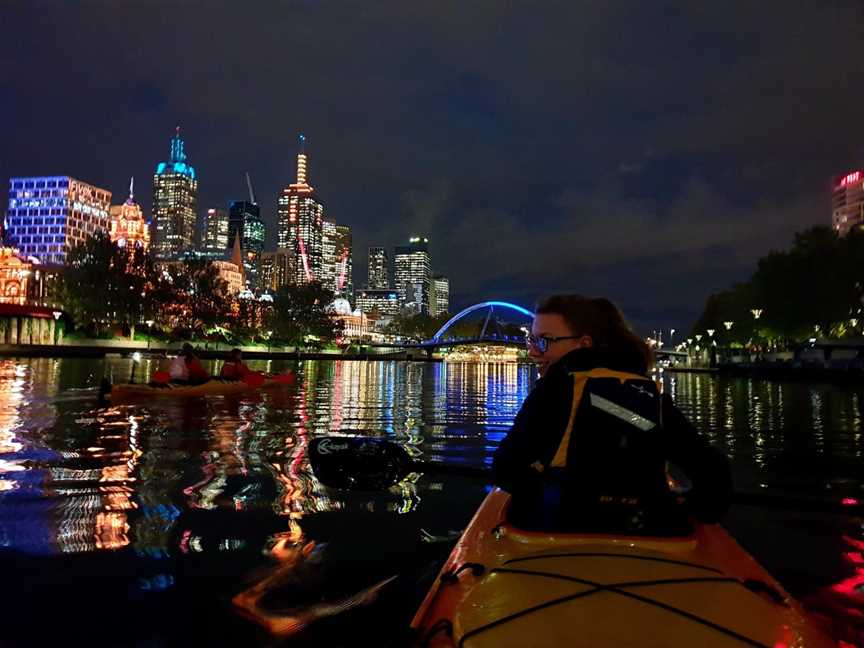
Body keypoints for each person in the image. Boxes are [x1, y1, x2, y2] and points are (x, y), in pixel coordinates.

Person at [492, 295, 732, 534]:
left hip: (561, 535)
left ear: (584, 344)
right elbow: (715, 474)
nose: (533, 352)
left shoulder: (554, 389)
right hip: (647, 539)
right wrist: (688, 513)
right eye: (531, 341)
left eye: (544, 341)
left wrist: (538, 481)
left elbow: (504, 470)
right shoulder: (646, 393)